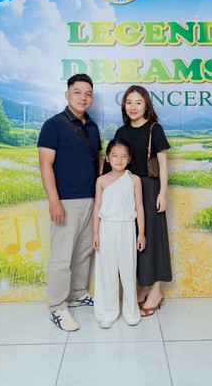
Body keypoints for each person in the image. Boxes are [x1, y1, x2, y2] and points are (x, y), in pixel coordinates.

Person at [38, 73, 101, 331]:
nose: (83, 98)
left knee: (84, 251)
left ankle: (77, 293)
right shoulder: (53, 125)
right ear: (67, 95)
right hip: (66, 201)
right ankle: (57, 307)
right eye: (77, 92)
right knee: (62, 256)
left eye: (88, 94)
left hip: (91, 199)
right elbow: (45, 164)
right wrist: (54, 201)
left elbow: (98, 160)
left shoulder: (92, 126)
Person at [113, 85, 171, 317]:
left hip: (149, 188)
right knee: (133, 239)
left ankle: (155, 290)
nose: (133, 107)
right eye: (129, 102)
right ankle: (141, 287)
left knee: (153, 238)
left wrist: (162, 193)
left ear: (146, 105)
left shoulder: (155, 129)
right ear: (124, 106)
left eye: (138, 102)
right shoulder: (121, 131)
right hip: (128, 188)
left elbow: (163, 163)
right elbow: (116, 162)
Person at [92, 139, 146, 329]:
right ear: (107, 158)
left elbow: (139, 207)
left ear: (129, 159)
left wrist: (141, 234)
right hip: (106, 228)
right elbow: (97, 208)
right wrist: (95, 233)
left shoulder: (134, 180)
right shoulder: (101, 181)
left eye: (124, 156)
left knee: (128, 270)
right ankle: (107, 311)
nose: (119, 159)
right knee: (107, 271)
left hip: (127, 228)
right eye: (115, 155)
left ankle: (131, 311)